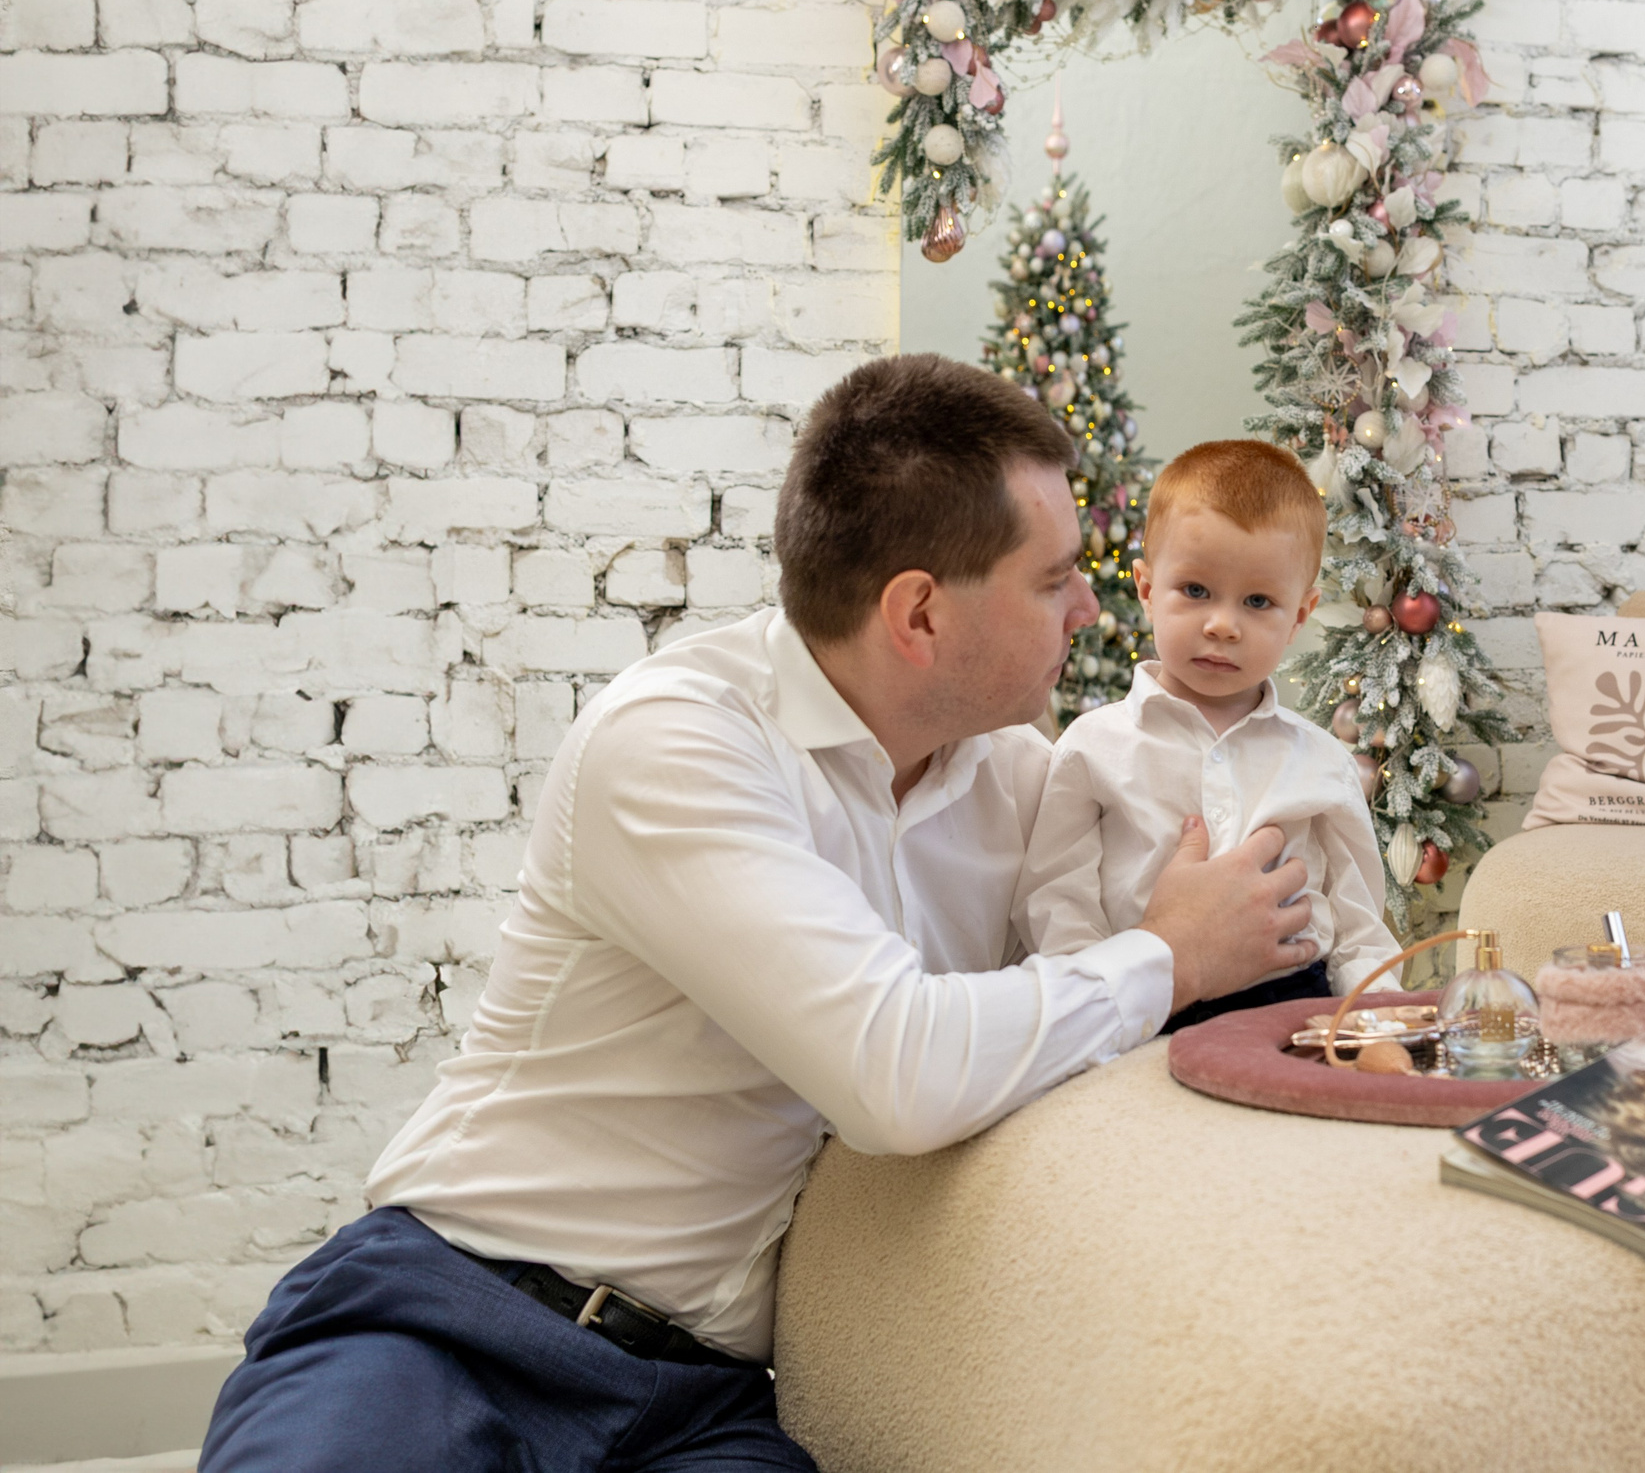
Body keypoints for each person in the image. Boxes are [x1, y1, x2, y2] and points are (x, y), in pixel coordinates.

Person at [197, 356, 1324, 1473]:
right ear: (919, 613)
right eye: (1054, 579)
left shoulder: (1027, 784)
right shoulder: (676, 739)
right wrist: (1168, 955)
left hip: (705, 1407)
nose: (1090, 606)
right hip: (454, 1321)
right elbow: (898, 1069)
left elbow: (1098, 1014)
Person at [1014, 440, 1403, 1031]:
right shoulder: (1092, 747)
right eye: (1196, 591)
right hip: (1145, 1003)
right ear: (1147, 589)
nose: (1223, 625)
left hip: (1297, 1004)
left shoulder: (1322, 761)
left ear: (1300, 616)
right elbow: (1057, 902)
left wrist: (1378, 1022)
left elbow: (1357, 922)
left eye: (1258, 601)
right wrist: (1100, 1014)